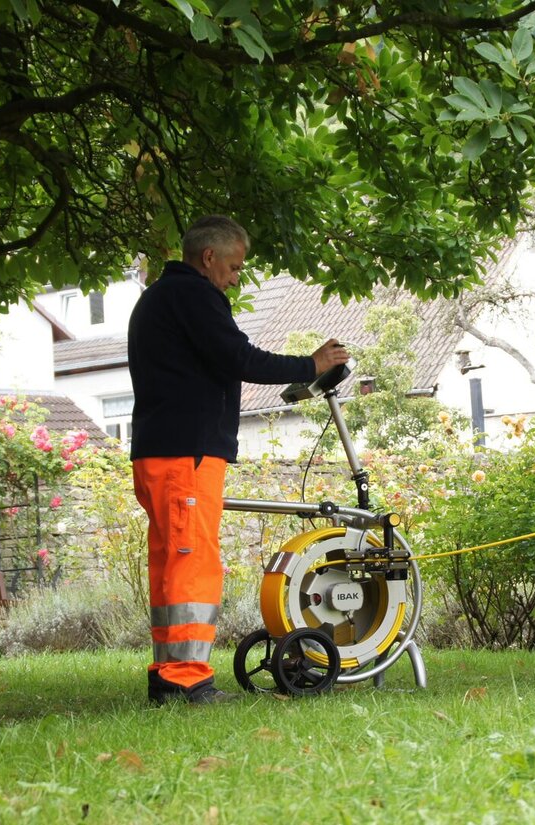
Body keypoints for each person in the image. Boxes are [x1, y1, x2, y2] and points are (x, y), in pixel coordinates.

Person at [128, 215, 350, 705]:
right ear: (209, 257)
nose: (234, 278)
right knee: (192, 566)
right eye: (232, 267)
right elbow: (239, 358)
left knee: (171, 565)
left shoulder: (158, 299)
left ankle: (170, 676)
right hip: (186, 454)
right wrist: (310, 365)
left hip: (161, 451)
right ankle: (187, 680)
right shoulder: (193, 296)